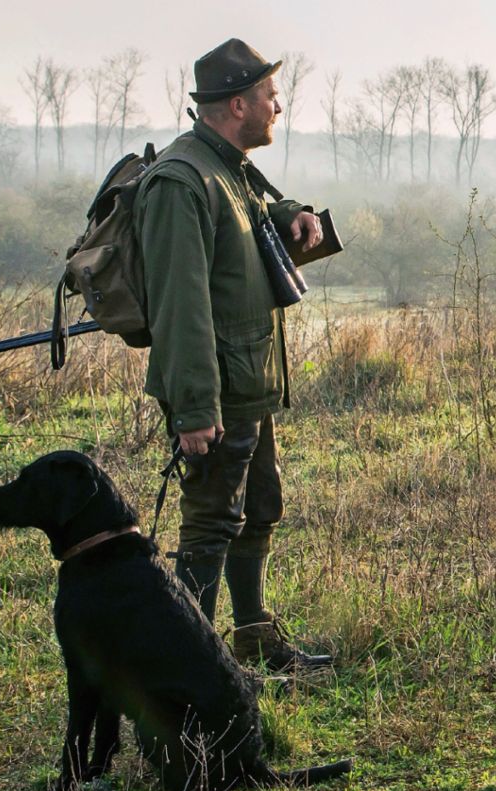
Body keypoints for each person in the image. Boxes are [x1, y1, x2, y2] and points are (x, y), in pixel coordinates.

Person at [134, 38, 330, 671]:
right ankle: (191, 667)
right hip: (215, 387)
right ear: (238, 104)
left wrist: (291, 213)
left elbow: (247, 215)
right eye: (271, 95)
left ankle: (253, 640)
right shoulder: (181, 181)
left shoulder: (226, 166)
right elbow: (180, 306)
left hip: (247, 381)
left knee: (258, 508)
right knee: (212, 520)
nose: (279, 106)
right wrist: (195, 408)